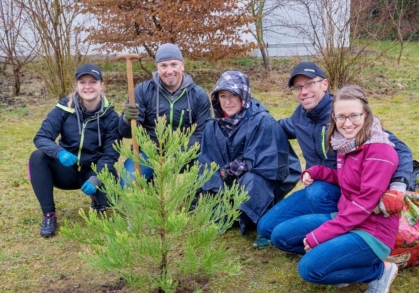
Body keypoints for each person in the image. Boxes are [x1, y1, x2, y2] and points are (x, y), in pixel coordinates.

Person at [254, 61, 413, 248]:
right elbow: (276, 128)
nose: (304, 91)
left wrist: (398, 185)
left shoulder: (344, 113)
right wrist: (249, 117)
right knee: (266, 228)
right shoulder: (300, 117)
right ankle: (317, 240)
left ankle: (341, 240)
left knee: (317, 192)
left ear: (325, 84)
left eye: (310, 84)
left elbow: (399, 149)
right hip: (318, 185)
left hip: (349, 191)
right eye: (298, 87)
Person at [271, 85, 400, 293]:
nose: (347, 123)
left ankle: (379, 272)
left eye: (354, 116)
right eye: (341, 117)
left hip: (372, 232)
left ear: (366, 114)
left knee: (309, 269)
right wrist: (318, 171)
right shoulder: (347, 144)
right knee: (280, 235)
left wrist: (320, 235)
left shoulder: (379, 150)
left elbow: (363, 204)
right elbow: (348, 180)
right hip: (347, 219)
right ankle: (340, 259)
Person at [198, 71, 301, 234]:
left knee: (252, 179)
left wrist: (232, 169)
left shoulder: (263, 121)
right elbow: (206, 160)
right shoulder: (213, 125)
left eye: (233, 95)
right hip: (229, 179)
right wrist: (219, 175)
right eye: (223, 96)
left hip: (261, 179)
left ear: (244, 95)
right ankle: (228, 210)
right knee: (207, 177)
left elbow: (270, 162)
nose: (228, 101)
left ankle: (255, 214)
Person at [29, 63, 121, 238]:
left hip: (92, 171)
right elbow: (41, 137)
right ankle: (49, 215)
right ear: (77, 86)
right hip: (66, 170)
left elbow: (111, 154)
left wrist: (96, 179)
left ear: (102, 85)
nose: (88, 87)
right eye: (82, 82)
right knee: (37, 157)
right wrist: (59, 152)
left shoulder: (110, 116)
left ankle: (98, 201)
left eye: (93, 82)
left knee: (110, 200)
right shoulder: (64, 108)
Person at [118, 43, 211, 183]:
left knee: (210, 170)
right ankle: (148, 191)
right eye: (164, 65)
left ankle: (195, 199)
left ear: (182, 65)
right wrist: (126, 119)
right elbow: (125, 133)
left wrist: (177, 154)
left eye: (174, 64)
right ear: (157, 67)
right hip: (148, 154)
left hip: (186, 153)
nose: (169, 71)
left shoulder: (197, 95)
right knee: (127, 181)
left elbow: (202, 133)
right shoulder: (142, 92)